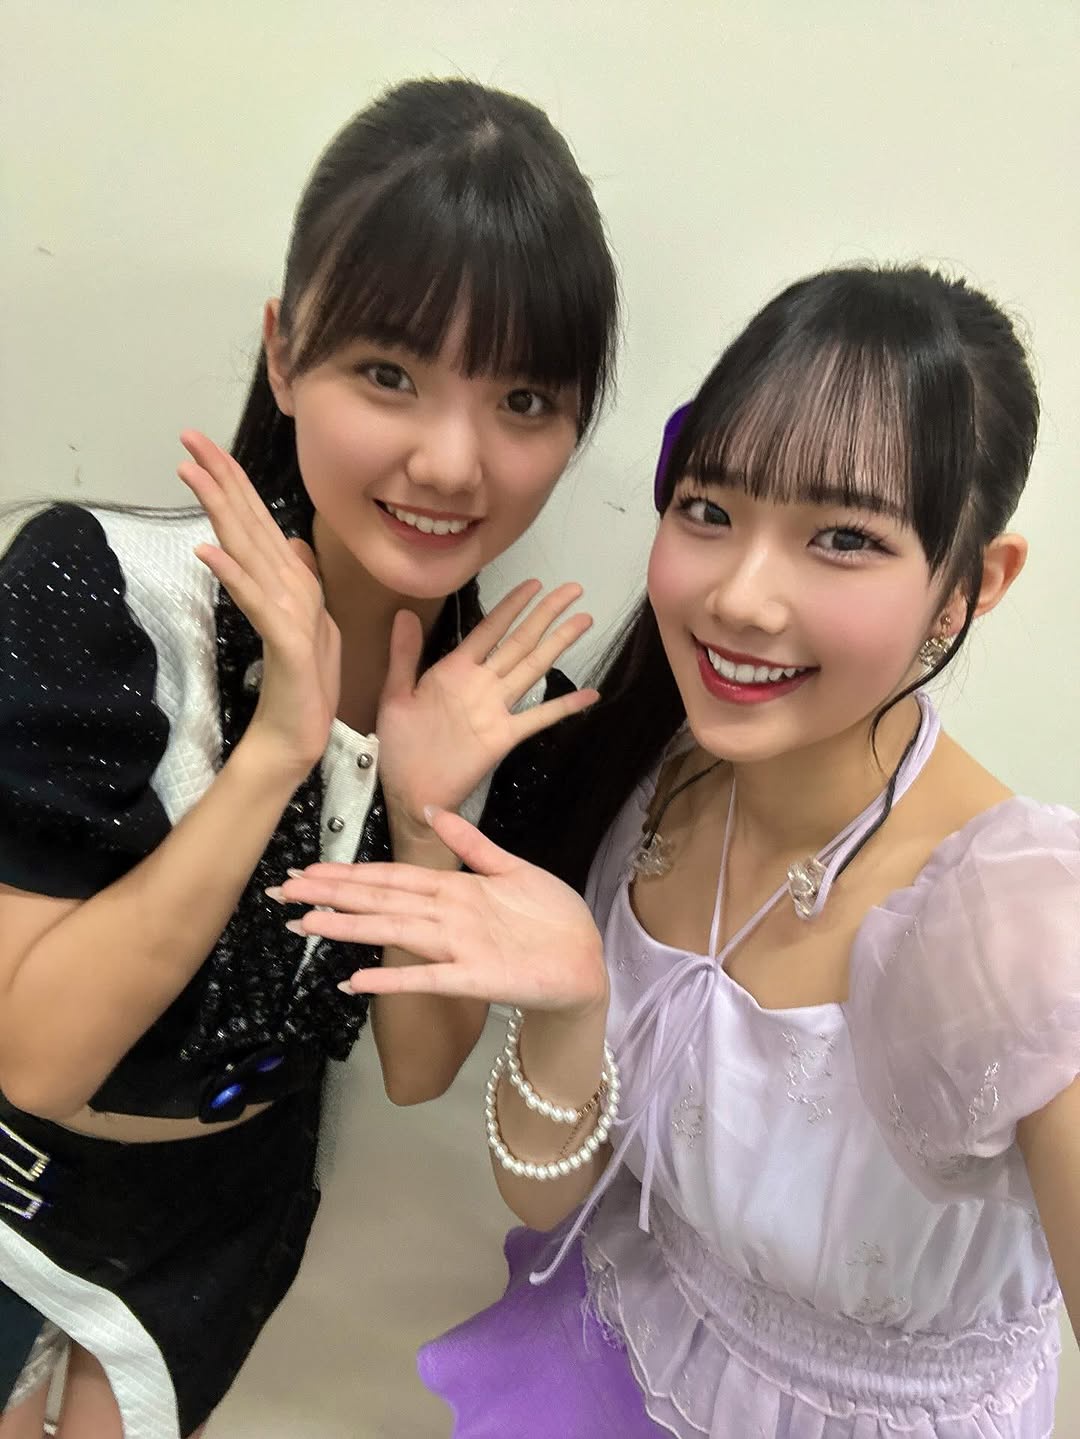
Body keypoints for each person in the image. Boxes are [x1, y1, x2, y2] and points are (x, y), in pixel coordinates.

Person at [296, 266, 1080, 1436]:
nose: (741, 598)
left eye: (844, 537)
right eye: (709, 510)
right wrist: (559, 997)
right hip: (617, 1355)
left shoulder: (1024, 922)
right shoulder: (652, 770)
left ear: (971, 586)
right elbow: (551, 1195)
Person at [0, 76, 618, 1438]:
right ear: (285, 357)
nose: (451, 461)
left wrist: (423, 812)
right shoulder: (104, 595)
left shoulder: (511, 709)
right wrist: (277, 748)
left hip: (222, 1224)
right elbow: (34, 1058)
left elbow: (414, 1067)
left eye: (524, 397)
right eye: (389, 374)